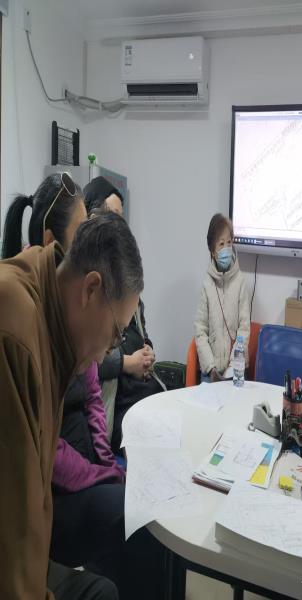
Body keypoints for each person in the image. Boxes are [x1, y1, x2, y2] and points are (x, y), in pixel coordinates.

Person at [0, 194, 143, 599]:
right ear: (91, 289)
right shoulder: (16, 330)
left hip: (28, 553)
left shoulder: (50, 308)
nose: (108, 352)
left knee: (103, 589)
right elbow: (15, 537)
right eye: (115, 334)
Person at [83, 176, 164, 453]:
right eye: (111, 216)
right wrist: (127, 363)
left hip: (140, 385)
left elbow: (141, 330)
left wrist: (147, 351)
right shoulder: (85, 284)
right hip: (115, 399)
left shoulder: (125, 276)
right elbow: (86, 359)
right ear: (91, 218)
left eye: (121, 217)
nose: (118, 225)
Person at [194, 213, 250, 382]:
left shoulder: (241, 281)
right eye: (221, 244)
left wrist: (233, 366)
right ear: (212, 251)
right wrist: (210, 368)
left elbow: (244, 329)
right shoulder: (207, 284)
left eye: (229, 242)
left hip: (235, 370)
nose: (226, 248)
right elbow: (200, 330)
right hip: (210, 372)